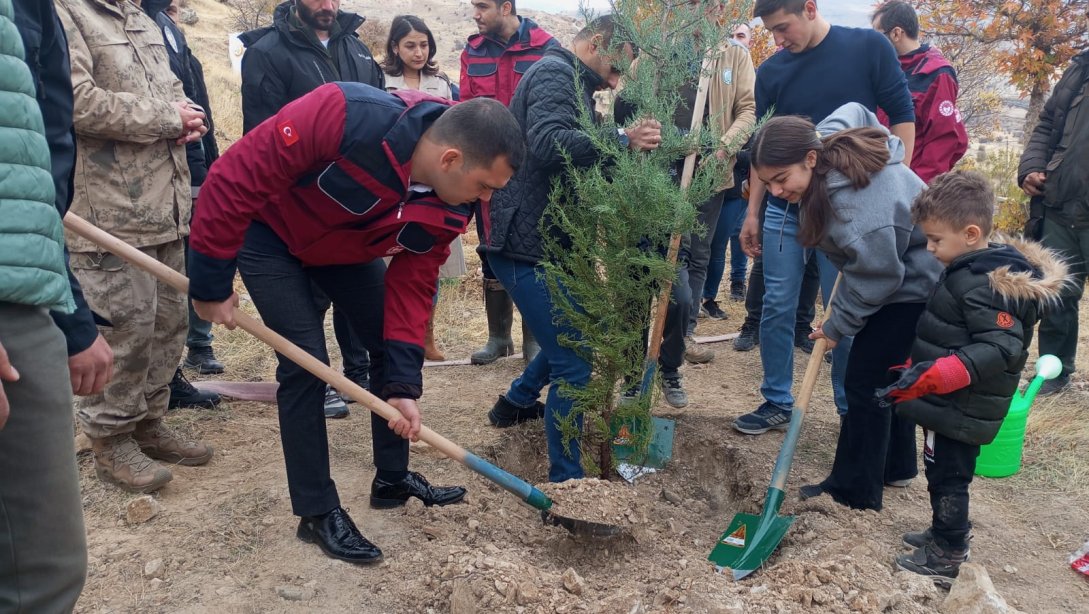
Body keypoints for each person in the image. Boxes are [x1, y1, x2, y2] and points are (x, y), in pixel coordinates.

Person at [188, 83, 523, 564]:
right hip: (271, 237)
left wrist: (405, 385)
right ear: (450, 159)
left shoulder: (455, 203)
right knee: (306, 365)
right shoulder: (345, 114)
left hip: (345, 251)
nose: (486, 200)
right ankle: (317, 512)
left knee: (390, 348)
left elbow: (413, 283)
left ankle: (391, 480)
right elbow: (234, 177)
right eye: (485, 186)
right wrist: (210, 281)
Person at [482, 15, 661, 478]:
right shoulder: (555, 73)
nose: (617, 80)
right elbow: (547, 144)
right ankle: (568, 479)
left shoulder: (573, 81)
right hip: (525, 246)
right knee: (576, 362)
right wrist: (623, 140)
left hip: (546, 241)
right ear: (599, 42)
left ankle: (515, 403)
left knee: (578, 331)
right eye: (618, 67)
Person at [733, 0, 916, 434]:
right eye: (771, 32)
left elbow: (902, 117)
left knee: (846, 306)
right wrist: (753, 212)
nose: (777, 40)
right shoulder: (773, 72)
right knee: (777, 305)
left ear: (810, 8)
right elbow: (765, 154)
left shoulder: (869, 47)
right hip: (784, 209)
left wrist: (895, 185)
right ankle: (776, 399)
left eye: (783, 27)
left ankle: (847, 405)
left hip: (846, 212)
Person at [749, 103, 942, 511]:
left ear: (812, 158)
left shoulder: (856, 209)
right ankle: (896, 466)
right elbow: (854, 109)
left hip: (913, 285)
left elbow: (876, 276)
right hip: (903, 273)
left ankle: (855, 490)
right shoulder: (826, 143)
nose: (779, 192)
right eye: (770, 184)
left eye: (783, 180)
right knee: (889, 373)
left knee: (864, 381)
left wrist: (837, 326)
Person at [876, 171, 1066, 585]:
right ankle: (945, 531)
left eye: (935, 240)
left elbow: (1001, 347)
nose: (928, 248)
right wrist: (918, 367)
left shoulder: (984, 284)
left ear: (971, 232)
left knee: (949, 475)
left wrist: (941, 373)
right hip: (947, 401)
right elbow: (950, 330)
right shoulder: (968, 268)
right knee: (937, 468)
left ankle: (948, 552)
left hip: (963, 405)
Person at [56, 0, 215, 493]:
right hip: (107, 211)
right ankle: (110, 437)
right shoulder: (66, 14)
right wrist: (167, 117)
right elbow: (74, 99)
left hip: (164, 205)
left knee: (168, 325)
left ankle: (148, 422)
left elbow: (169, 89)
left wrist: (187, 115)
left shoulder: (141, 16)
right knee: (124, 328)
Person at [240, 0, 383, 418]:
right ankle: (313, 381)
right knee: (307, 301)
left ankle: (358, 375)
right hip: (298, 207)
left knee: (358, 297)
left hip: (354, 203)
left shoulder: (356, 48)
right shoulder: (267, 52)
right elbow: (261, 136)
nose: (328, 5)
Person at [3, 0, 94, 607]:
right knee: (39, 574)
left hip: (23, 280)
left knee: (44, 569)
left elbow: (40, 152)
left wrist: (70, 315)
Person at [461, 0, 559, 365]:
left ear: (506, 7)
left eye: (483, 6)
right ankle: (498, 337)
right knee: (491, 248)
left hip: (533, 173)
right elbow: (467, 111)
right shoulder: (472, 52)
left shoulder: (546, 47)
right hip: (488, 171)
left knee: (532, 252)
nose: (476, 13)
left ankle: (534, 338)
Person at [140, 0, 226, 411]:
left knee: (178, 277)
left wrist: (206, 161)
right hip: (143, 181)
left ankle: (171, 377)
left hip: (188, 165)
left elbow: (192, 97)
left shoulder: (164, 25)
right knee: (146, 290)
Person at [382, 14, 464, 362]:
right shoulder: (381, 79)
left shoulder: (441, 83)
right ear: (395, 47)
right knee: (391, 263)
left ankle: (424, 334)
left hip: (435, 184)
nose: (418, 52)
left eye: (423, 45)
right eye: (410, 45)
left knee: (430, 261)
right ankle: (390, 336)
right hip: (396, 180)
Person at [1018, 46, 1089, 396]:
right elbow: (1047, 124)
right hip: (1061, 204)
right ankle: (1055, 372)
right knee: (1057, 293)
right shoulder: (1080, 68)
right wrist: (1030, 167)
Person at [872, 0, 968, 183]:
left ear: (896, 34)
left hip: (911, 183)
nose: (874, 43)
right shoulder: (887, 69)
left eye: (878, 36)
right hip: (881, 179)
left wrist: (916, 188)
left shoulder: (936, 75)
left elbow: (943, 141)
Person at [702, 22, 757, 316]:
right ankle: (704, 298)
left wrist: (730, 150)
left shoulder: (741, 66)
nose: (737, 40)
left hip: (735, 179)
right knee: (710, 243)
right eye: (733, 35)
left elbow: (751, 121)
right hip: (709, 175)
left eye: (742, 36)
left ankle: (732, 285)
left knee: (732, 237)